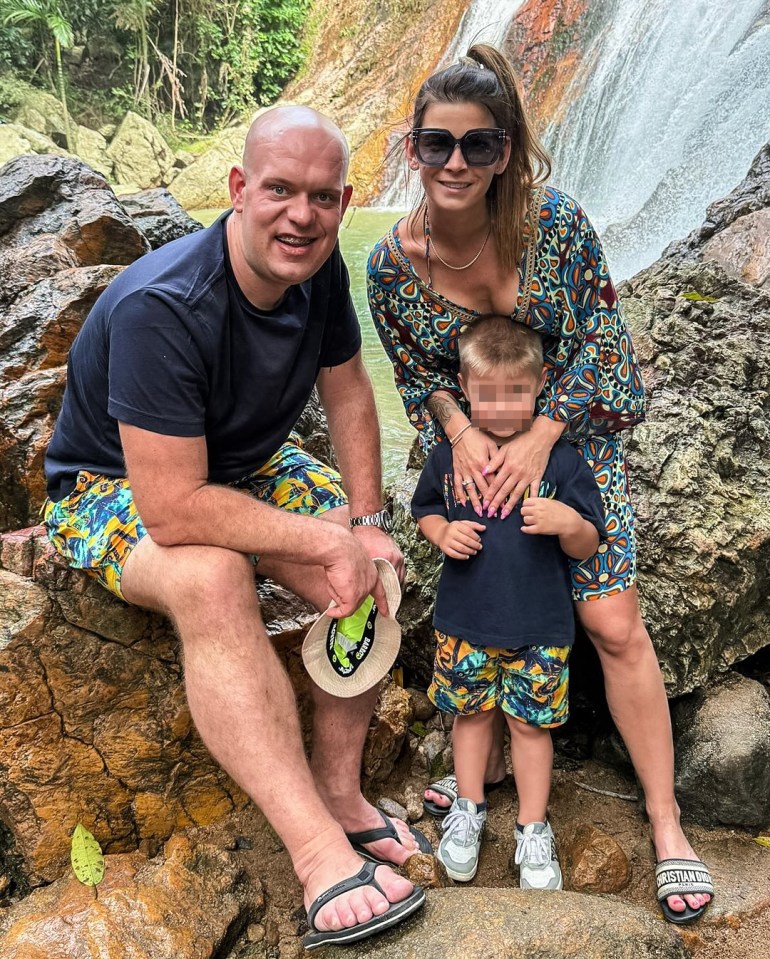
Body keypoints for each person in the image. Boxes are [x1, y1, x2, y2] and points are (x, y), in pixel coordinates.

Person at [42, 105, 431, 949]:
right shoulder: (164, 306)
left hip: (242, 462)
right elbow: (174, 507)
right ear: (238, 188)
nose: (301, 214)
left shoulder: (318, 267)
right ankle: (319, 853)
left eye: (321, 198)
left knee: (373, 572)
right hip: (112, 483)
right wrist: (318, 539)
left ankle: (339, 788)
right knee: (213, 575)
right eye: (280, 190)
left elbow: (349, 389)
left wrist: (361, 524)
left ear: (344, 201)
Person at [368, 45, 714, 922]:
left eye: (478, 146)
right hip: (473, 442)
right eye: (437, 144)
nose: (456, 163)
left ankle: (668, 825)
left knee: (611, 618)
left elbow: (602, 340)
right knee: (477, 596)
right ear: (411, 149)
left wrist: (542, 437)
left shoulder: (554, 225)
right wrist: (460, 433)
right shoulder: (388, 266)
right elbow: (418, 374)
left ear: (508, 153)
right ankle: (473, 782)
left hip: (570, 433)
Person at [412, 315, 606, 886]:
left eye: (515, 393)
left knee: (530, 727)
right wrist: (442, 534)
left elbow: (590, 541)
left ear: (541, 382)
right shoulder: (450, 459)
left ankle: (532, 828)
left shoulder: (561, 462)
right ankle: (468, 810)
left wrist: (566, 520)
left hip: (541, 628)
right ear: (464, 390)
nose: (498, 408)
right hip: (465, 622)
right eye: (485, 394)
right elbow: (426, 509)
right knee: (468, 719)